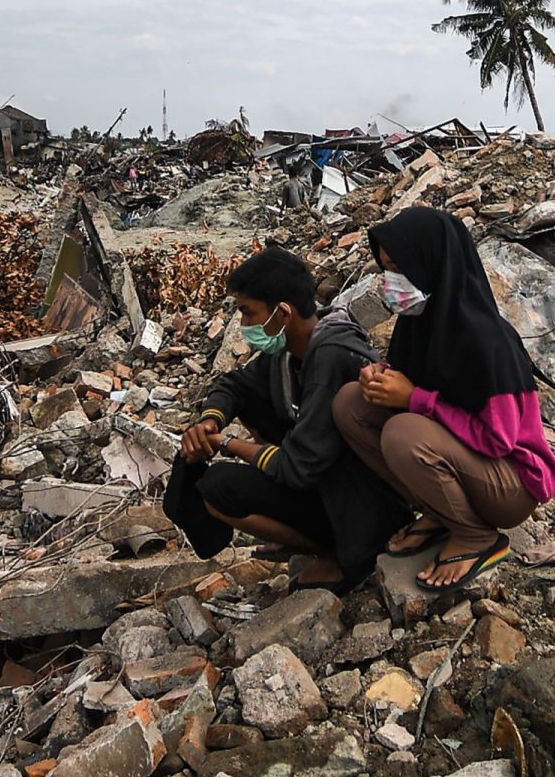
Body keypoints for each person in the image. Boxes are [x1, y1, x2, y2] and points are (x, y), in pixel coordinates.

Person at [332, 207, 555, 593]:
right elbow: (418, 375)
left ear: (431, 264)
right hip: (467, 463)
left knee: (403, 433)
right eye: (386, 268)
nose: (391, 281)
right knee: (351, 403)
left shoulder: (486, 341)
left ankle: (475, 537)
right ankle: (441, 512)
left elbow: (498, 440)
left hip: (512, 484)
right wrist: (381, 377)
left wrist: (415, 398)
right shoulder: (422, 320)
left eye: (400, 268)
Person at [164, 246, 411, 592]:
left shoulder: (331, 356)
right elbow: (236, 384)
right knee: (252, 401)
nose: (245, 325)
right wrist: (210, 421)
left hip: (362, 502)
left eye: (249, 314)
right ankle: (307, 533)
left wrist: (227, 444)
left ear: (282, 312)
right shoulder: (291, 348)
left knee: (219, 488)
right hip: (324, 476)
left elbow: (298, 466)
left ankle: (335, 553)